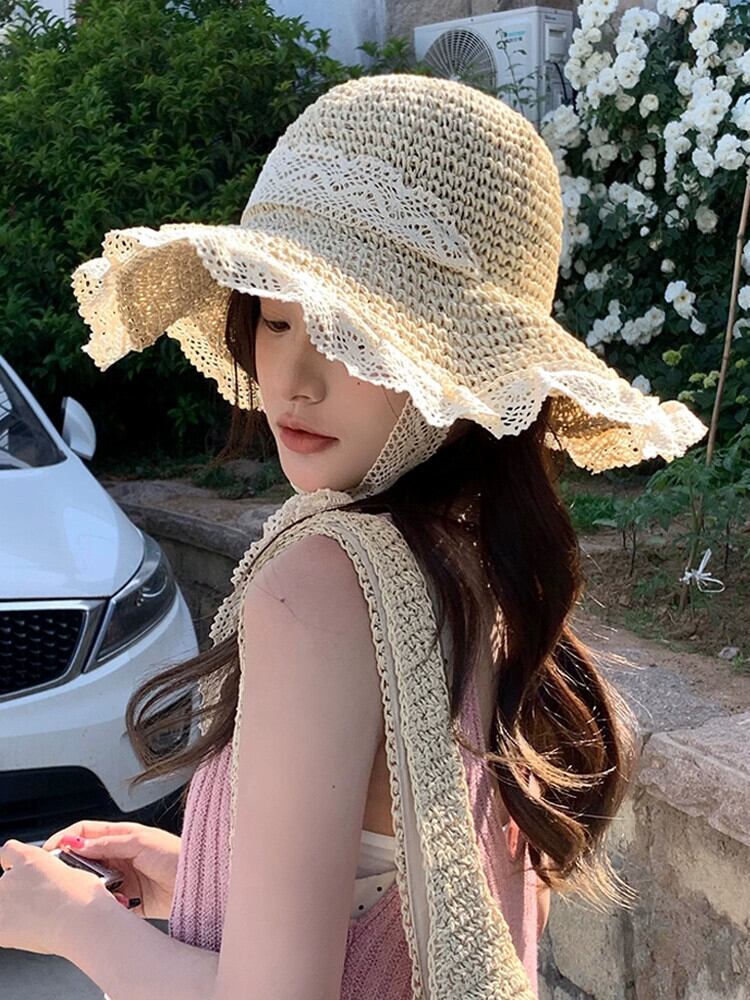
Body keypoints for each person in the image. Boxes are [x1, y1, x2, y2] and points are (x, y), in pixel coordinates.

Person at [0, 74, 708, 999]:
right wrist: (193, 867)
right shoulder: (470, 558)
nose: (293, 378)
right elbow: (387, 887)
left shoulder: (324, 582)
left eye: (349, 335)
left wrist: (70, 922)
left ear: (457, 358)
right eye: (275, 318)